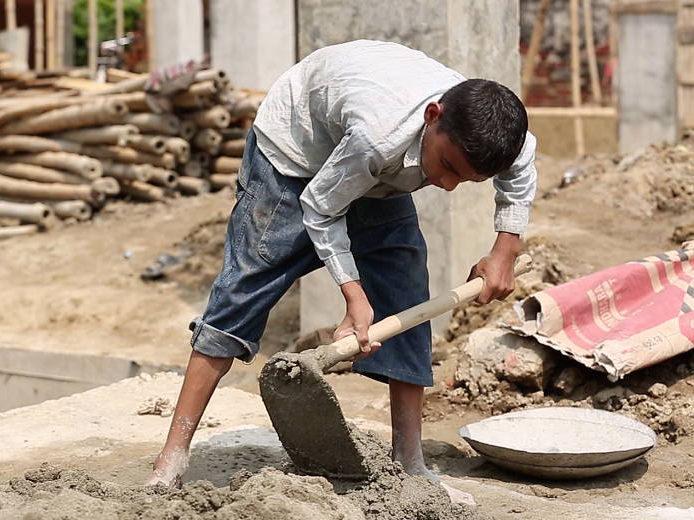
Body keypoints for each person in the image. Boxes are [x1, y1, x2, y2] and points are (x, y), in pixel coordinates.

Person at [146, 40, 537, 505]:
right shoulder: (379, 132)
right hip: (294, 156)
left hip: (371, 164)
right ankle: (170, 459)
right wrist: (353, 296)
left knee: (408, 285)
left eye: (466, 180)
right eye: (448, 166)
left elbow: (523, 162)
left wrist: (505, 249)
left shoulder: (496, 135)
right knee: (245, 288)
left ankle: (411, 463)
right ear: (433, 115)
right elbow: (320, 207)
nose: (448, 185)